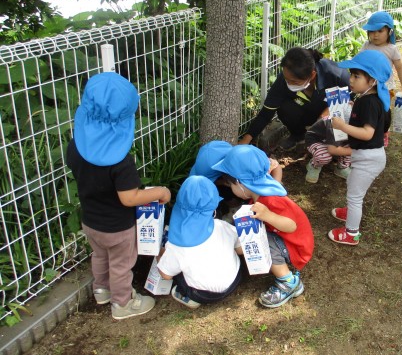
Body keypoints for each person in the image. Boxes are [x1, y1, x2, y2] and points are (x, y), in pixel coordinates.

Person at [66, 72, 171, 320]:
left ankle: (101, 290)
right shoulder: (121, 162)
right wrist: (160, 192)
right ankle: (122, 303)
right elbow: (129, 198)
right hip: (118, 229)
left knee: (99, 256)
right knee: (121, 265)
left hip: (91, 222)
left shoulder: (75, 146)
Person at [213, 145, 314, 308]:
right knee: (256, 239)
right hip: (283, 238)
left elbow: (291, 226)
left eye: (230, 185)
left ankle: (288, 282)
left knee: (262, 242)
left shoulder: (270, 200)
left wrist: (268, 216)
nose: (230, 188)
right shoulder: (262, 189)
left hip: (294, 245)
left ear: (240, 183)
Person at [328, 50, 392, 246]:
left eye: (356, 76)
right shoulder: (369, 99)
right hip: (366, 156)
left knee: (355, 196)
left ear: (372, 80)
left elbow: (367, 133)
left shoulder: (369, 103)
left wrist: (342, 126)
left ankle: (351, 233)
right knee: (353, 186)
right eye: (352, 75)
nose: (351, 79)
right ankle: (350, 212)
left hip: (368, 159)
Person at [238, 47, 350, 151]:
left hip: (332, 113)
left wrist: (323, 118)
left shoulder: (336, 76)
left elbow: (346, 104)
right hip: (306, 112)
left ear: (312, 75)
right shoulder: (283, 80)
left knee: (334, 145)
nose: (289, 84)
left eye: (294, 82)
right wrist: (245, 140)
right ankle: (298, 136)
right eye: (287, 79)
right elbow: (266, 113)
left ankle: (336, 143)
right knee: (284, 107)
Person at [157, 175, 243, 308]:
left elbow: (166, 275)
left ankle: (185, 295)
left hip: (204, 295)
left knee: (176, 272)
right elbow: (240, 250)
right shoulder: (222, 225)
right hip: (235, 280)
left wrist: (159, 252)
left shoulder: (177, 242)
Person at [190, 140, 283, 219]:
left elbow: (275, 166)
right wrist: (223, 183)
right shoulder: (208, 175)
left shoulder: (245, 160)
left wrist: (271, 193)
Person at [361, 11, 402, 97]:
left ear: (389, 32)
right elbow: (359, 61)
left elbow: (399, 68)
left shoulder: (392, 49)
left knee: (383, 105)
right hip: (368, 86)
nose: (375, 35)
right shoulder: (367, 45)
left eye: (380, 31)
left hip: (386, 87)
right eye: (372, 31)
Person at [304, 117, 351, 183]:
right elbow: (332, 150)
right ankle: (314, 165)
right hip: (318, 140)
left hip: (339, 139)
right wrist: (353, 151)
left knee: (355, 146)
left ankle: (342, 167)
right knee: (324, 156)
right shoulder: (338, 121)